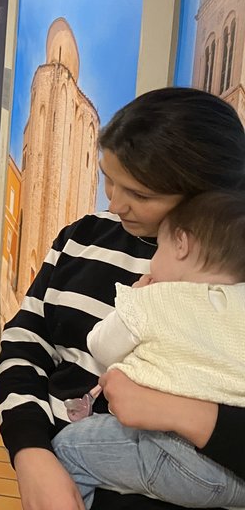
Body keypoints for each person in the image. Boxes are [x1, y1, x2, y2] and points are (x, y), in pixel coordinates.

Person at [0, 87, 245, 510]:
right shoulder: (83, 237)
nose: (115, 204)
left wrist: (179, 413)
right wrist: (31, 452)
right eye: (108, 179)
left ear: (207, 196)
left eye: (140, 194)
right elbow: (24, 343)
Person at [51, 191, 245, 509]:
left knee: (67, 448)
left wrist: (133, 297)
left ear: (181, 244)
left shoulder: (157, 299)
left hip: (178, 458)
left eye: (160, 247)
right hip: (237, 479)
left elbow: (100, 346)